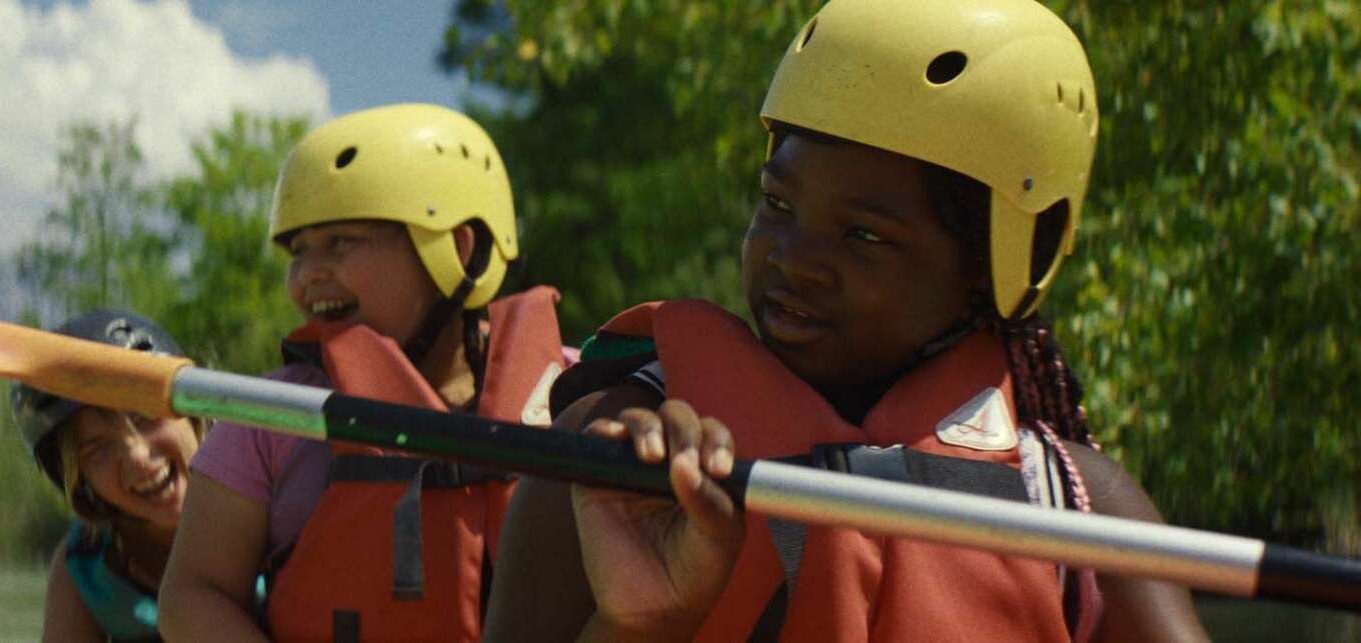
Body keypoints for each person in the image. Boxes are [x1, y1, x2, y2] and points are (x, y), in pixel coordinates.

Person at [482, 1, 1210, 641]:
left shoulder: (1076, 503)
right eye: (778, 205)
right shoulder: (609, 458)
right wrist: (639, 628)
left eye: (865, 235)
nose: (794, 260)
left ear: (993, 264)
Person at [159, 103, 574, 642]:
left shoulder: (576, 391)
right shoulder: (267, 416)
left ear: (459, 247)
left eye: (341, 242)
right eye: (298, 251)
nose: (307, 275)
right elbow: (194, 593)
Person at [13, 310, 206, 642]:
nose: (137, 458)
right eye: (98, 449)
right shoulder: (86, 564)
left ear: (192, 417)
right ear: (81, 480)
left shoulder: (274, 514)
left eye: (145, 417)